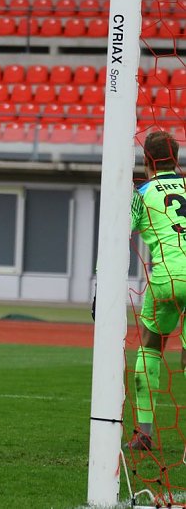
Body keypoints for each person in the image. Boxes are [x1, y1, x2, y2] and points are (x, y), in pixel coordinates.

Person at [125, 130, 186, 450]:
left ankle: (145, 433)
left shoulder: (143, 193)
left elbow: (119, 234)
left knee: (150, 346)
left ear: (146, 160)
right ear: (176, 159)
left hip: (168, 278)